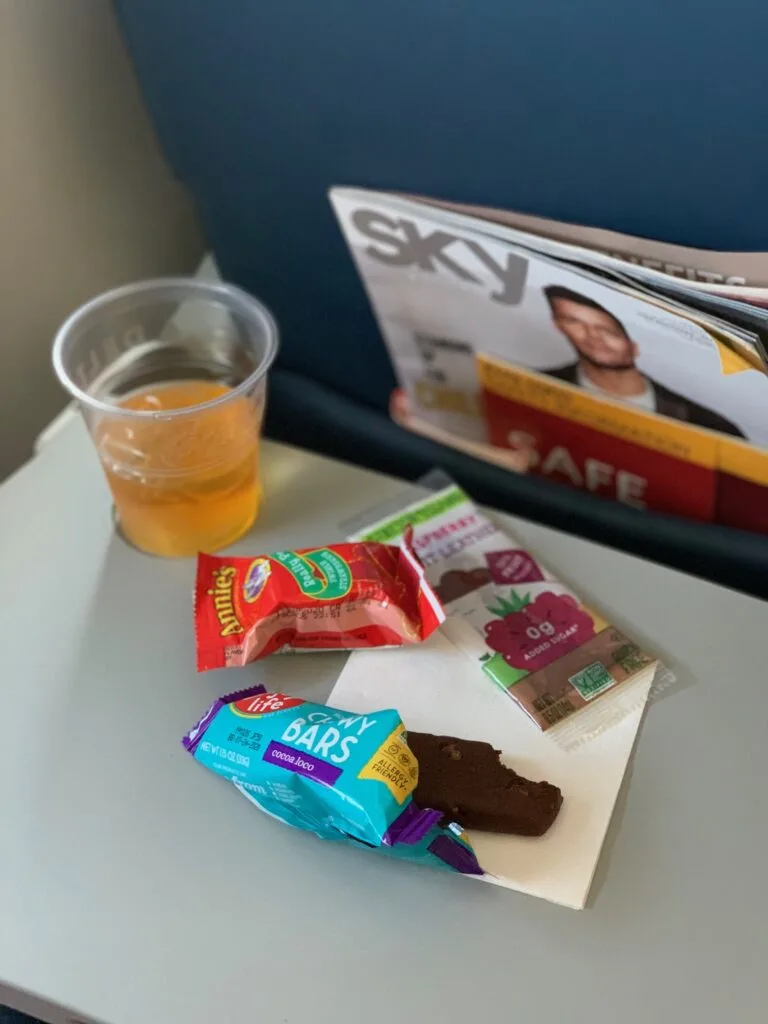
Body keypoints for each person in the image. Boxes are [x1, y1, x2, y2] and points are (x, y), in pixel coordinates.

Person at [541, 285, 745, 438]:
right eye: (575, 322)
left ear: (635, 344)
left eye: (608, 331)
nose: (594, 336)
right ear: (558, 324)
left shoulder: (709, 426)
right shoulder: (538, 385)